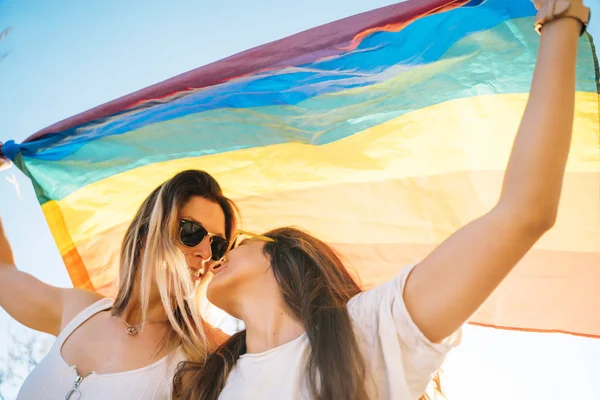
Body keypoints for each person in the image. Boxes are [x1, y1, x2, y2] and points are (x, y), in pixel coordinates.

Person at [174, 1, 591, 399]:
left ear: (285, 258)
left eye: (235, 242)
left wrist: (561, 21)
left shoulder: (372, 330)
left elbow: (523, 212)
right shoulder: (207, 379)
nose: (215, 253)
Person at [0, 169, 237, 399]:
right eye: (192, 232)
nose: (206, 253)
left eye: (218, 246)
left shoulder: (207, 351)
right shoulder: (78, 311)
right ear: (146, 234)